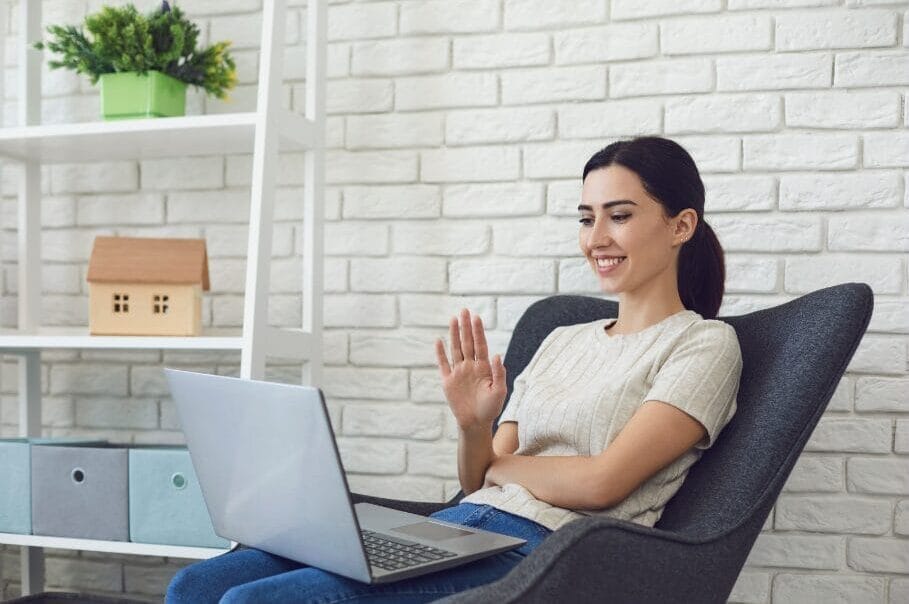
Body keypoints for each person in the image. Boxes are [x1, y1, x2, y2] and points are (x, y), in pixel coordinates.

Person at [165, 136, 743, 603]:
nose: (597, 239)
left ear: (681, 225)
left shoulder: (703, 345)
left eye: (619, 216)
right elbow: (476, 479)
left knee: (261, 602)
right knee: (197, 586)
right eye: (586, 218)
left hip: (553, 551)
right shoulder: (563, 338)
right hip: (461, 525)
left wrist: (501, 464)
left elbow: (600, 485)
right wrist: (474, 428)